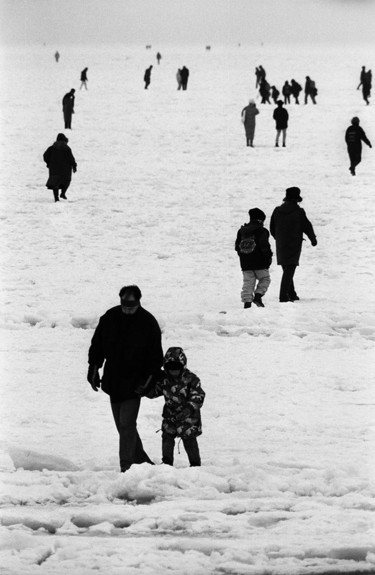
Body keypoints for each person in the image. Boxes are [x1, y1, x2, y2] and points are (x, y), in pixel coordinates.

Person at [87, 285, 163, 473]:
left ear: (138, 302)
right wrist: (94, 368)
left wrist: (146, 383)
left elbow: (155, 358)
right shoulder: (110, 317)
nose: (128, 310)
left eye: (131, 307)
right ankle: (142, 462)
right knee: (122, 426)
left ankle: (126, 466)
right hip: (113, 379)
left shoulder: (148, 322)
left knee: (127, 423)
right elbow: (97, 345)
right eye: (125, 306)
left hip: (135, 382)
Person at [136, 347, 205, 467]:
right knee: (167, 438)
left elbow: (198, 395)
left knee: (189, 440)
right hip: (170, 415)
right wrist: (146, 391)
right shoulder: (164, 379)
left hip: (188, 417)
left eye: (176, 368)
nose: (173, 371)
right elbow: (157, 391)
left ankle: (195, 465)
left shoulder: (191, 379)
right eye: (170, 368)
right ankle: (167, 463)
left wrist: (188, 408)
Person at [270, 187, 317, 303]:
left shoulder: (277, 210)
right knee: (289, 269)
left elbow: (272, 228)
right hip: (294, 244)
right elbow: (307, 226)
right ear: (297, 198)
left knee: (286, 268)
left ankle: (291, 293)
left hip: (281, 244)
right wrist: (313, 239)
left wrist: (279, 238)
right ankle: (283, 296)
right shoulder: (298, 212)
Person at [235, 208, 273, 308]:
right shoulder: (262, 231)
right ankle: (258, 295)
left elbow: (237, 246)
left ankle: (247, 302)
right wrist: (268, 259)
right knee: (265, 279)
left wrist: (243, 256)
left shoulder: (241, 231)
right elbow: (264, 247)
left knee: (248, 282)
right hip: (260, 262)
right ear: (260, 220)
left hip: (245, 262)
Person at [43, 133, 77, 202]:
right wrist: (74, 166)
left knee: (55, 183)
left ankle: (56, 198)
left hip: (54, 169)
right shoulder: (67, 148)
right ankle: (63, 193)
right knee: (67, 180)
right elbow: (71, 158)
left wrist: (49, 163)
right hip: (65, 169)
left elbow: (45, 156)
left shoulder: (51, 148)